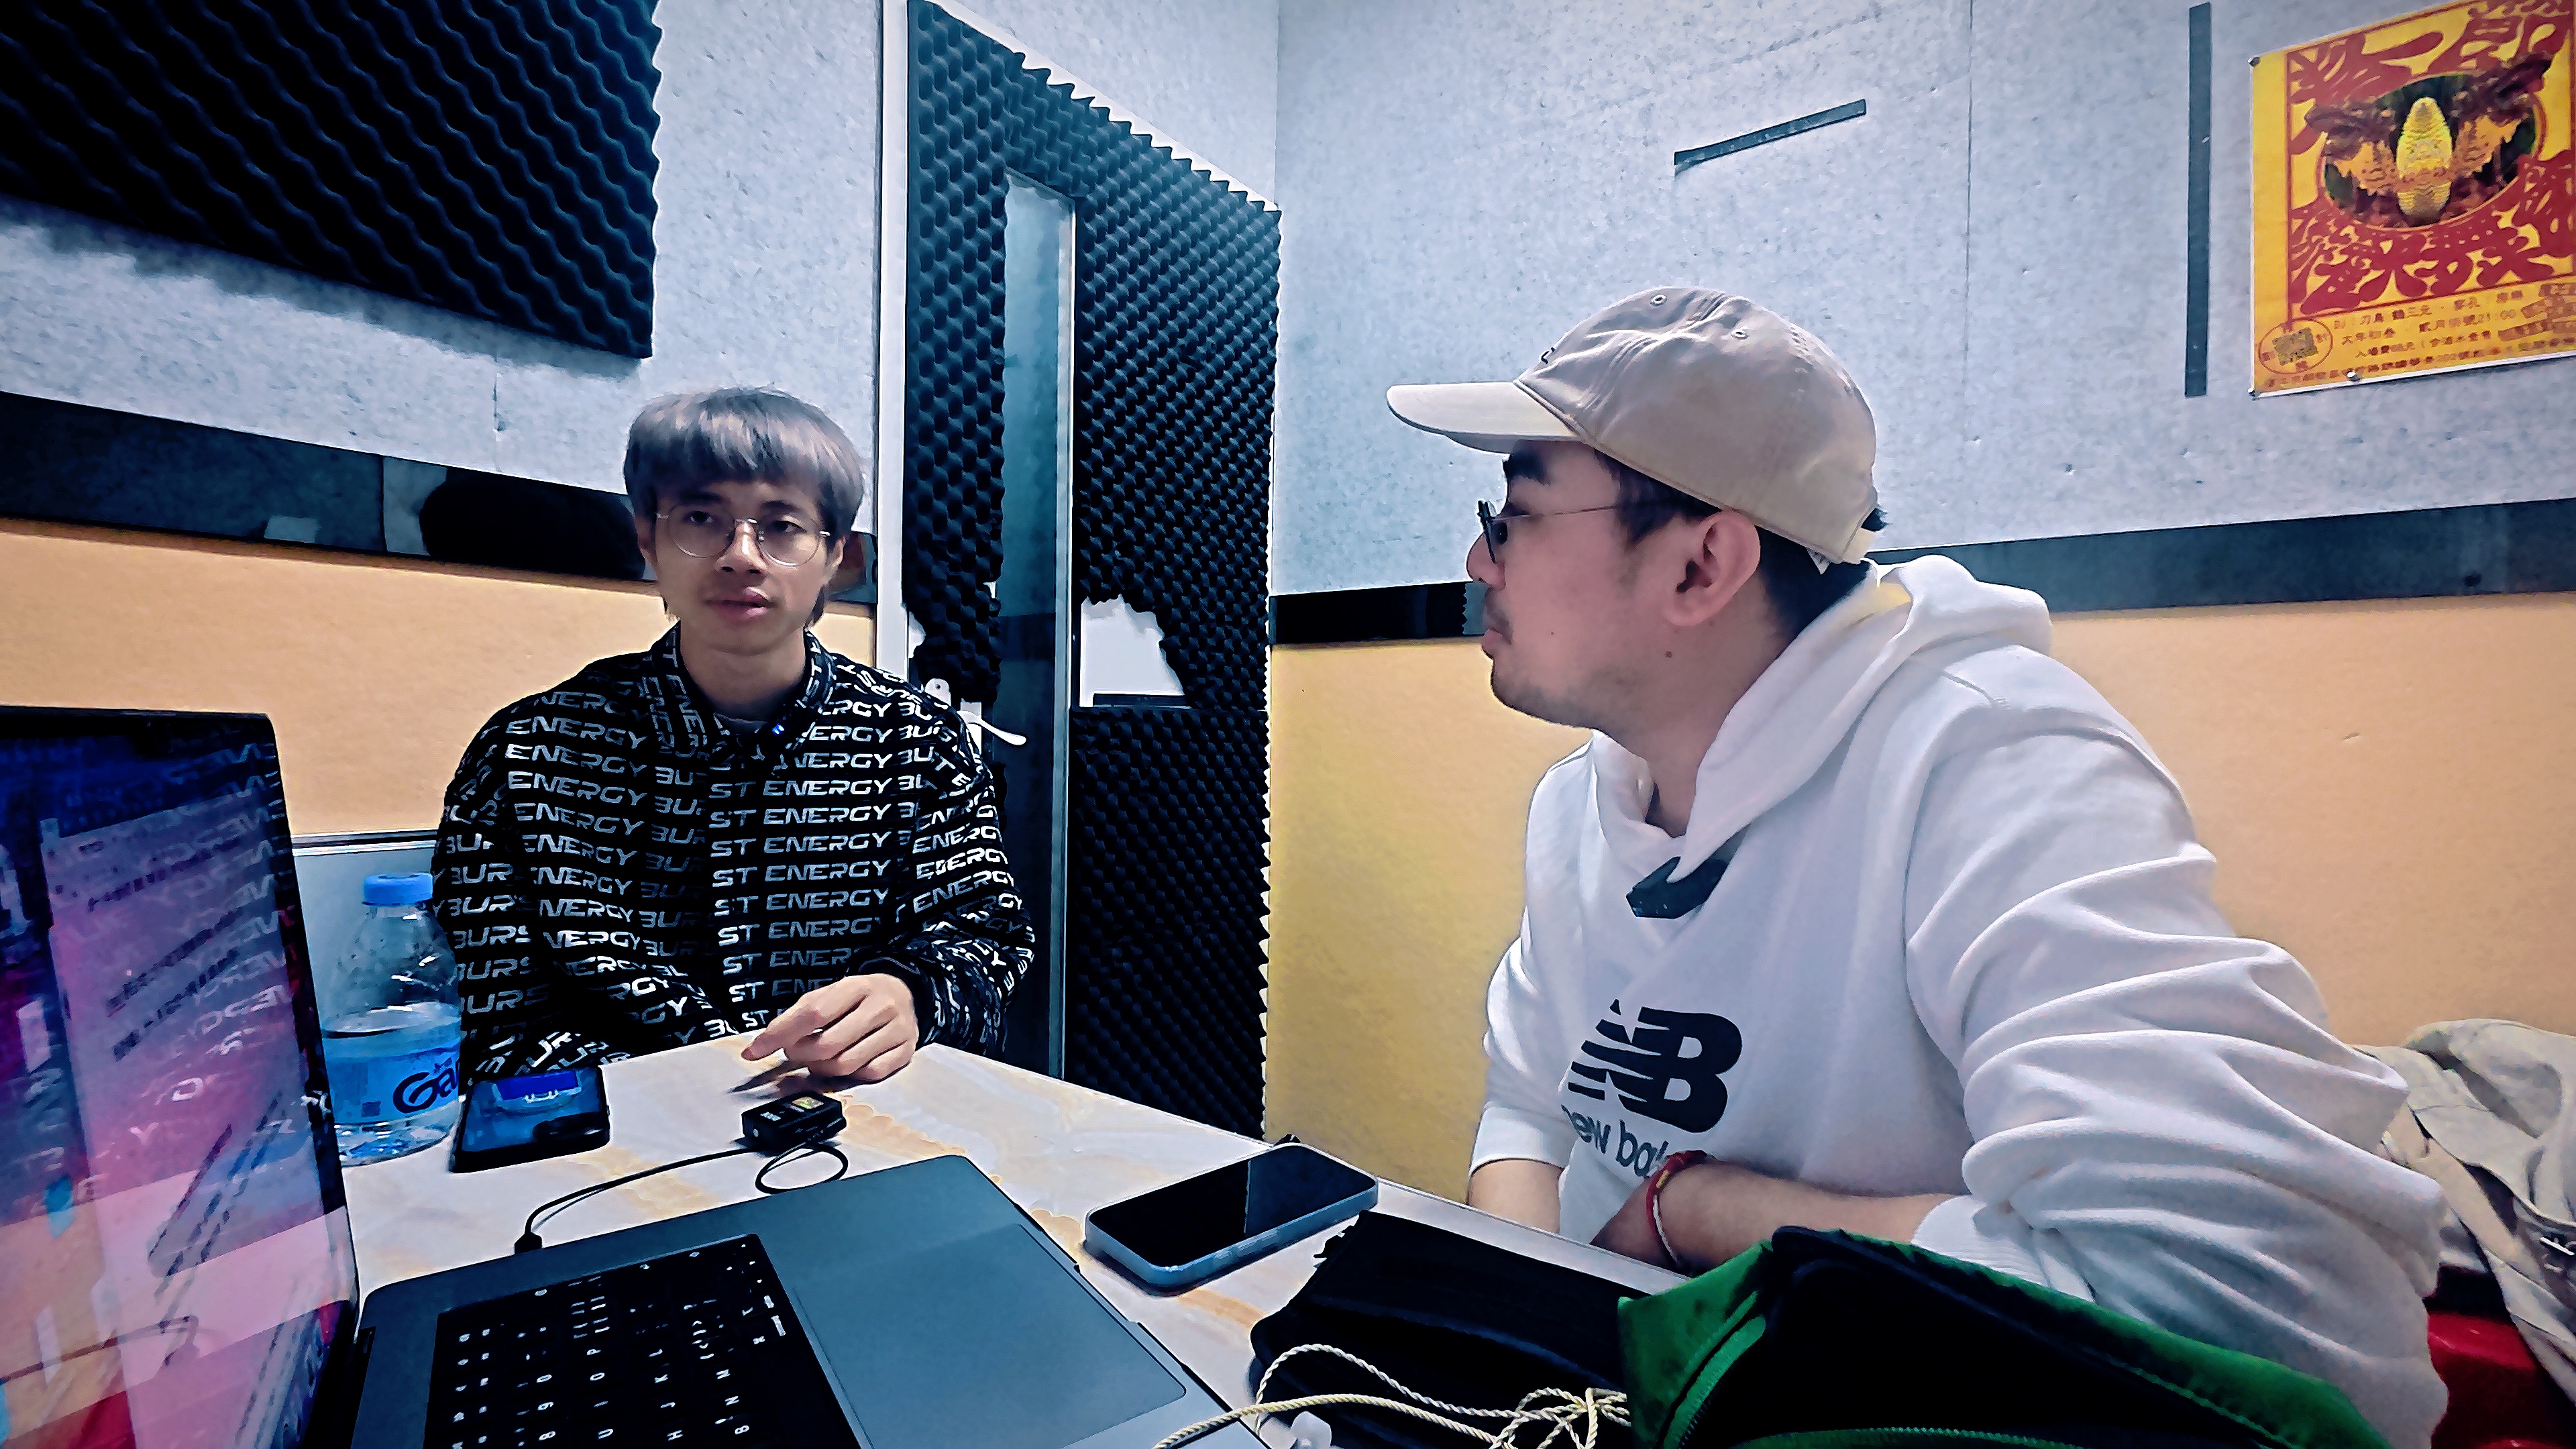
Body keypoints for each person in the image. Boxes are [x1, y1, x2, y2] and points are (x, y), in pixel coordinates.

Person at [1386, 289, 2447, 1443]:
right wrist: (1524, 1341)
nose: (1479, 559)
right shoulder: (1581, 800)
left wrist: (1697, 1210)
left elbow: (2266, 1330)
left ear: (1701, 565)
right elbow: (1529, 1105)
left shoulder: (1990, 760)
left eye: (1515, 515)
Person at [434, 387, 1030, 1085]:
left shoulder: (917, 741)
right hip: (621, 1132)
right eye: (700, 518)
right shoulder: (527, 754)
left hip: (860, 1117)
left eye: (782, 527)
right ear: (648, 538)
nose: (741, 556)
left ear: (836, 557)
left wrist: (912, 996)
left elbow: (985, 937)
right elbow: (496, 1027)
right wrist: (695, 1087)